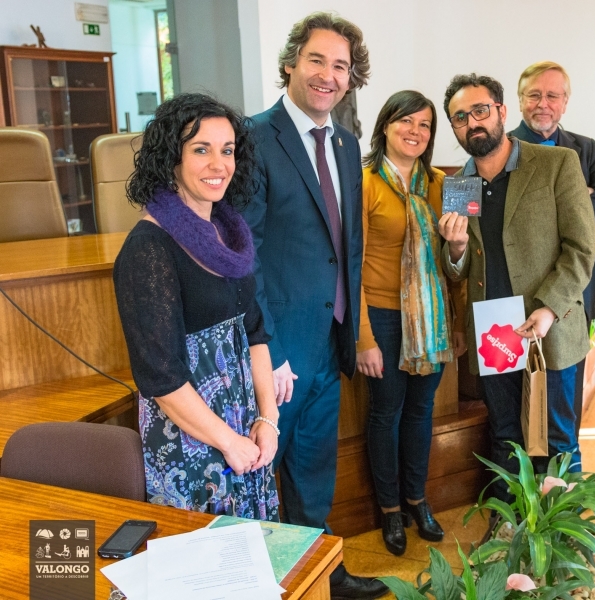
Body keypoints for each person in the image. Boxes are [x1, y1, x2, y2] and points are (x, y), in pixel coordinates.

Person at [241, 12, 387, 599]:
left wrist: (352, 333)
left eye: (341, 66)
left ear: (352, 78)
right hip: (277, 350)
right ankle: (265, 582)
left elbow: (345, 247)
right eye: (317, 60)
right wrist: (268, 349)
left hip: (330, 340)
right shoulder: (253, 138)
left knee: (313, 467)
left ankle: (322, 575)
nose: (329, 75)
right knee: (264, 474)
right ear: (290, 64)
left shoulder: (347, 144)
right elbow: (243, 255)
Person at [113, 93, 279, 521]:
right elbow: (162, 379)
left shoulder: (230, 232)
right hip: (192, 443)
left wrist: (268, 418)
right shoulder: (148, 248)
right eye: (201, 150)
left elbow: (254, 332)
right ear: (171, 157)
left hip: (245, 432)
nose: (218, 164)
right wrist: (228, 441)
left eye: (227, 150)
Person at [438, 73, 595, 501]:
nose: (472, 122)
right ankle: (508, 523)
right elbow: (456, 271)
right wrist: (456, 249)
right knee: (506, 433)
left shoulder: (557, 163)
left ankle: (560, 530)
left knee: (557, 437)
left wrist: (549, 308)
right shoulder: (459, 184)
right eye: (460, 117)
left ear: (502, 112)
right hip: (495, 334)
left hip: (549, 325)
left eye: (480, 110)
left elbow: (581, 248)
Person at [357, 90, 466, 556]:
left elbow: (458, 263)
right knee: (386, 412)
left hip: (433, 316)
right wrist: (362, 337)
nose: (415, 131)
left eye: (424, 124)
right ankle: (389, 510)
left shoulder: (445, 184)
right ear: (385, 125)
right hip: (382, 316)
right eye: (405, 121)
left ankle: (417, 501)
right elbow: (352, 266)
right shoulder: (363, 183)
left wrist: (457, 250)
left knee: (421, 411)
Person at [508, 61, 595, 427]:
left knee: (566, 403)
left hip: (574, 290)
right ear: (520, 100)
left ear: (566, 102)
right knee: (515, 403)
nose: (543, 104)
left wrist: (548, 210)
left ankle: (562, 463)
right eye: (534, 95)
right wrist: (572, 201)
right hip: (518, 291)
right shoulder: (502, 148)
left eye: (553, 95)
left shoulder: (584, 149)